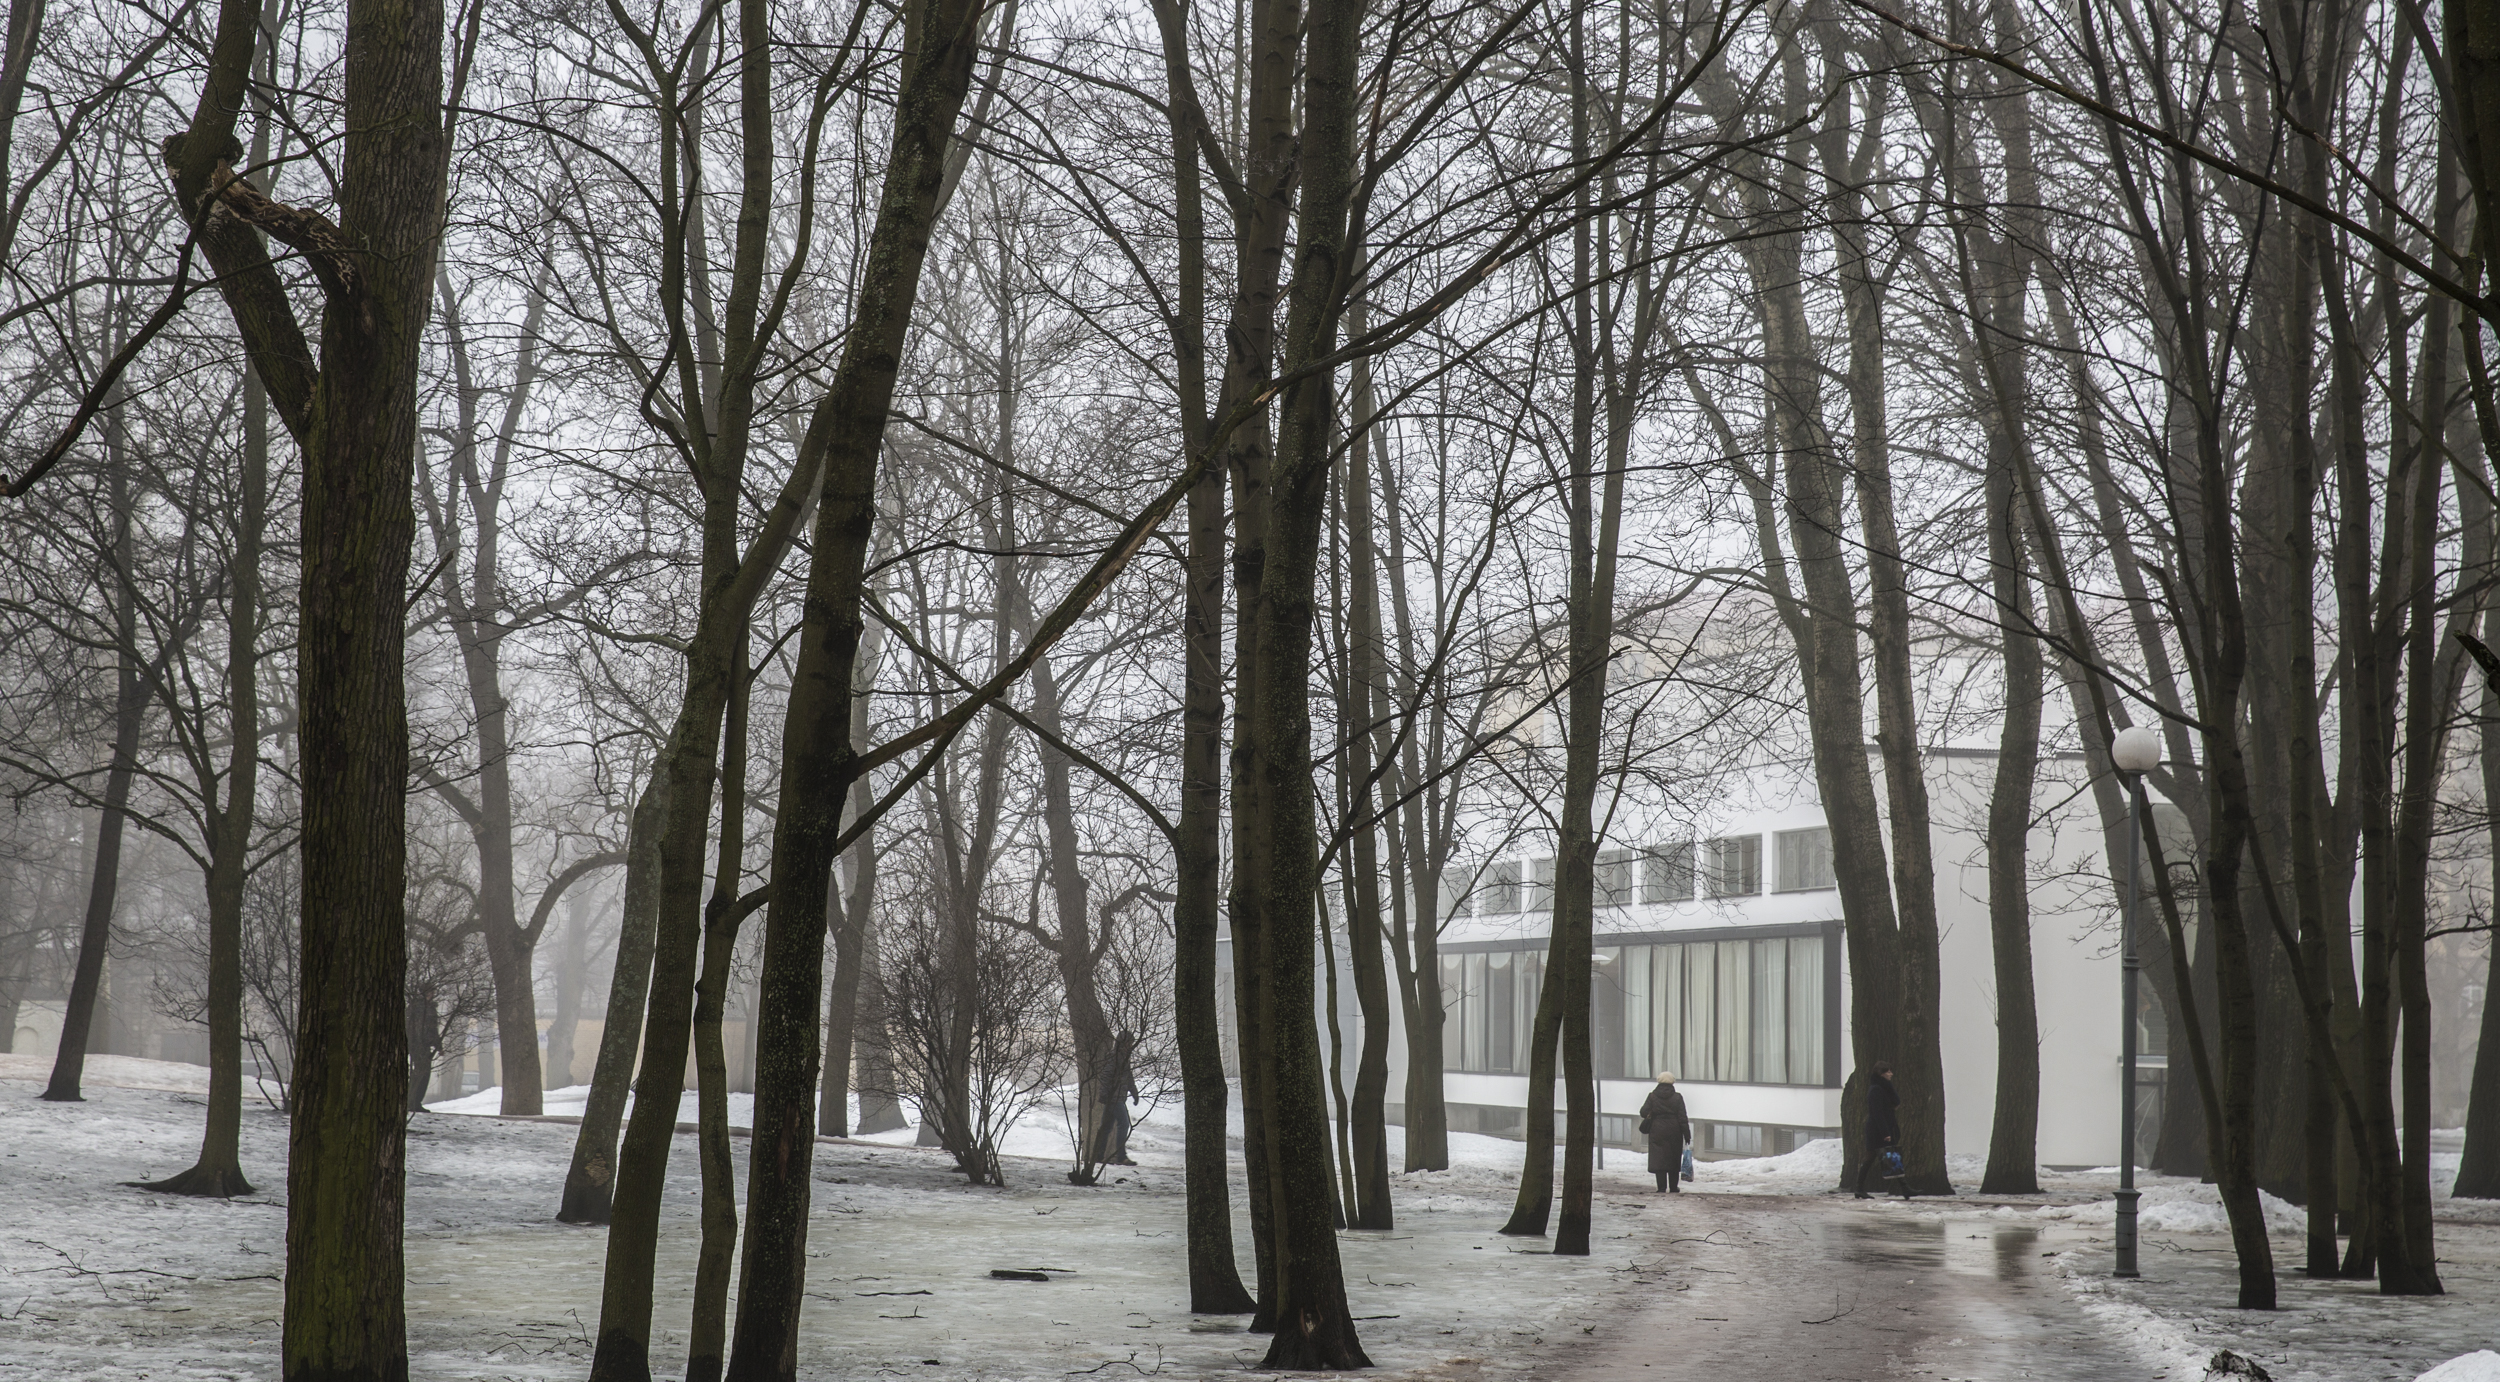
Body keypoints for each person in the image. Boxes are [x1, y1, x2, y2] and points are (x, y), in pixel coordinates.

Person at [1853, 1062, 1907, 1199]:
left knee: (1891, 1156)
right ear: (1881, 1074)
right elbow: (1877, 1113)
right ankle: (1859, 1188)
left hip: (1884, 1128)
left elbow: (1894, 1103)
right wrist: (1885, 1133)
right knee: (1872, 1158)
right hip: (1877, 1131)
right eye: (1888, 1072)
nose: (1891, 1074)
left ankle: (1905, 1188)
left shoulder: (1884, 1088)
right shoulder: (1876, 1090)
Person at [1639, 1070, 1692, 1193]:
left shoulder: (1652, 1096)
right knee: (1673, 1158)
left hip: (1657, 1130)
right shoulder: (1677, 1097)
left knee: (1659, 1159)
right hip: (1675, 1130)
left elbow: (1643, 1112)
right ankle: (1673, 1187)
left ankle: (1661, 1187)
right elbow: (1682, 1117)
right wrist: (1687, 1134)